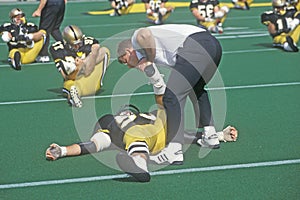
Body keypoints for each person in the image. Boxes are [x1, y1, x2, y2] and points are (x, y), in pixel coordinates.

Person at [117, 24, 224, 165]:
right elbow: (160, 84)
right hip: (213, 45)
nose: (129, 66)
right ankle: (210, 135)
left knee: (172, 96)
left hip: (194, 45)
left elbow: (144, 34)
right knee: (195, 88)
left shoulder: (136, 41)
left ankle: (174, 150)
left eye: (125, 61)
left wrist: (148, 59)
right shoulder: (150, 52)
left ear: (128, 51)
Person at [45, 104, 238, 182]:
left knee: (169, 120)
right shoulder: (112, 128)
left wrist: (220, 135)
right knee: (136, 136)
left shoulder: (148, 114)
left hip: (161, 134)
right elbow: (90, 146)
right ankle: (139, 166)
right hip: (137, 138)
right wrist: (62, 150)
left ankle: (139, 163)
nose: (126, 112)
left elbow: (182, 134)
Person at [49, 25, 110, 108]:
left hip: (91, 77)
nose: (78, 47)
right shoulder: (58, 50)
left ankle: (77, 91)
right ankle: (74, 95)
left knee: (104, 51)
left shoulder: (89, 43)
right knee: (71, 85)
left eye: (79, 43)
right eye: (74, 45)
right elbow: (66, 77)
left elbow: (101, 53)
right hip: (74, 79)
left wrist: (86, 61)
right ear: (66, 42)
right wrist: (78, 68)